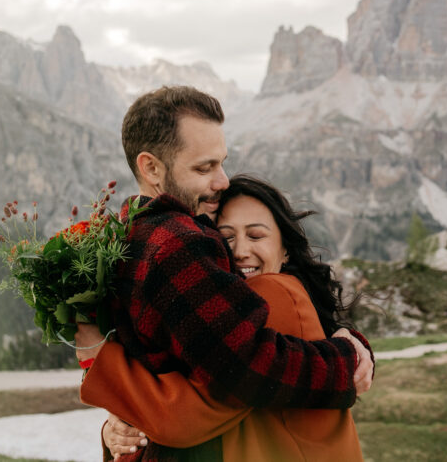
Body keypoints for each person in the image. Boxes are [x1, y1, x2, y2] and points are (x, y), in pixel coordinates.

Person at [77, 87, 372, 461]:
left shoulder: (125, 237)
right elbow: (244, 368)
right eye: (204, 168)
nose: (222, 180)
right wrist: (346, 361)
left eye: (221, 162)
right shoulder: (179, 242)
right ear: (151, 167)